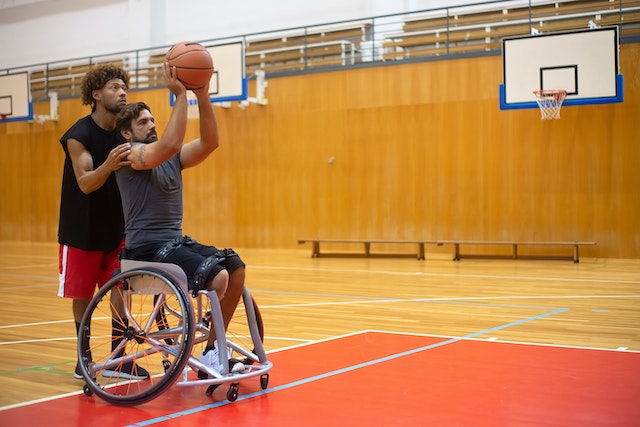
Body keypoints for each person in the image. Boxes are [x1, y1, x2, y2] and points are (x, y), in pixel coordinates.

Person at [114, 63, 246, 376]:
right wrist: (180, 95)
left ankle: (214, 349)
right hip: (144, 251)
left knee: (235, 268)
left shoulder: (170, 155)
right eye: (143, 122)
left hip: (174, 243)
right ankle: (212, 350)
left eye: (152, 120)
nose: (151, 125)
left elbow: (209, 143)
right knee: (219, 277)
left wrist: (202, 95)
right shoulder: (129, 154)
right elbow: (170, 144)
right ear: (127, 132)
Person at [57, 64, 149, 380]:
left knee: (121, 291)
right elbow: (85, 183)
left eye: (124, 86)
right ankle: (83, 359)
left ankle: (118, 359)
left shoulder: (126, 130)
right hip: (80, 229)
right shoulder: (78, 135)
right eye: (113, 86)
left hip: (118, 226)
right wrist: (108, 165)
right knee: (82, 296)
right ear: (96, 94)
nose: (122, 91)